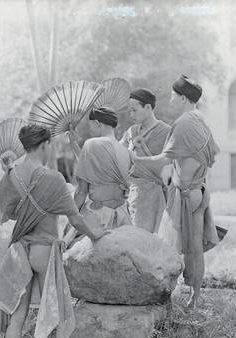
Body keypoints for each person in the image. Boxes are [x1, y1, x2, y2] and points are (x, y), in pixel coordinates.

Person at [0, 124, 109, 338]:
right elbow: (75, 219)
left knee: (17, 319)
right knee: (53, 313)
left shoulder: (11, 175)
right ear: (44, 145)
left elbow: (13, 215)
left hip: (20, 249)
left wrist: (10, 176)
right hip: (44, 249)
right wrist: (96, 235)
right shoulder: (52, 178)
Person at [133, 75, 221, 308]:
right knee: (194, 249)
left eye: (173, 97)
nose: (170, 100)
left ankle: (166, 300)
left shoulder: (183, 123)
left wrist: (135, 158)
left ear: (183, 98)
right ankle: (194, 298)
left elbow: (163, 158)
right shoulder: (201, 120)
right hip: (201, 191)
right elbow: (212, 155)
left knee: (168, 247)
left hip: (185, 194)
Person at [64, 107, 133, 246]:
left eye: (90, 125)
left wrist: (72, 217)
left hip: (98, 216)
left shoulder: (92, 144)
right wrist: (73, 143)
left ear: (96, 123)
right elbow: (94, 166)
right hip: (122, 216)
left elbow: (81, 191)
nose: (90, 130)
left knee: (67, 245)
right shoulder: (125, 151)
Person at [119, 88, 171, 233]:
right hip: (130, 192)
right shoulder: (131, 131)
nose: (131, 115)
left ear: (148, 107)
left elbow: (168, 160)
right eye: (129, 111)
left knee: (146, 239)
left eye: (134, 110)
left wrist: (138, 159)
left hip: (152, 195)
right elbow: (116, 152)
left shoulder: (166, 131)